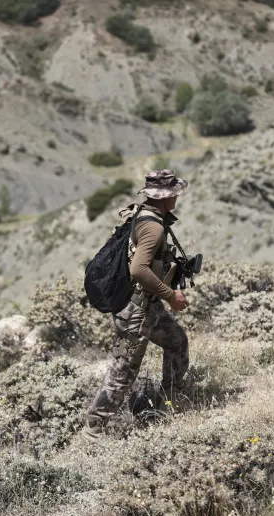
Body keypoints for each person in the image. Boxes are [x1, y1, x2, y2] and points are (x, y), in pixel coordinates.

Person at [82, 169, 191, 443]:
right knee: (123, 372)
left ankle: (170, 404)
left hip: (147, 307)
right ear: (166, 197)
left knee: (177, 342)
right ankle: (92, 431)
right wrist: (171, 295)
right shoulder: (152, 226)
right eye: (175, 193)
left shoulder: (144, 214)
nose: (178, 197)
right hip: (136, 313)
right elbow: (139, 269)